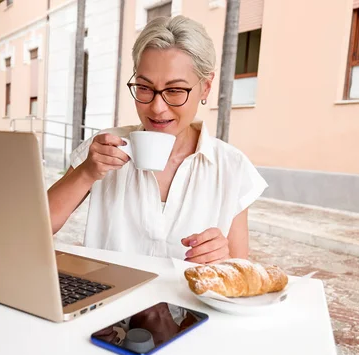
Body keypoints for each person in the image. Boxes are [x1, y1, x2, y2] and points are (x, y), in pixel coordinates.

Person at [48, 15, 267, 264]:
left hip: (189, 303)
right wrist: (86, 173)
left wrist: (223, 257)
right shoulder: (102, 149)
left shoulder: (231, 167)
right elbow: (35, 228)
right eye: (144, 88)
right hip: (112, 301)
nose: (157, 108)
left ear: (205, 87)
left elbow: (240, 272)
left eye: (174, 90)